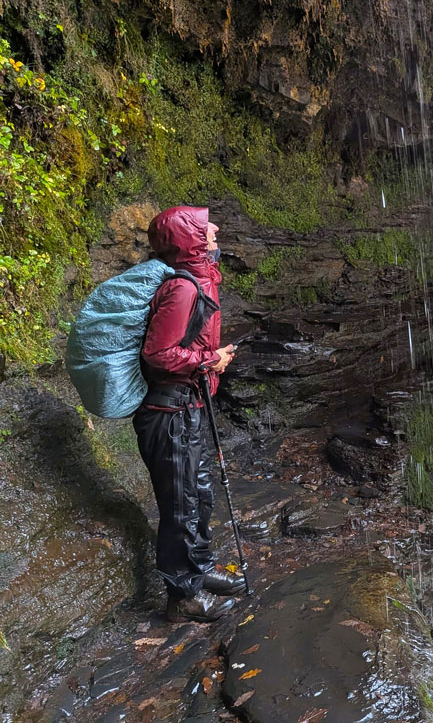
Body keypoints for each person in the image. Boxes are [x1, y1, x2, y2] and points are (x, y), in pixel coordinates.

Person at [133, 206, 243, 622]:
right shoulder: (182, 289)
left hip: (188, 407)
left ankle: (200, 570)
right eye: (205, 226)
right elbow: (159, 355)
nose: (215, 228)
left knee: (198, 495)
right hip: (168, 412)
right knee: (180, 505)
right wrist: (207, 360)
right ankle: (182, 598)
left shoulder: (199, 280)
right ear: (188, 240)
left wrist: (206, 361)